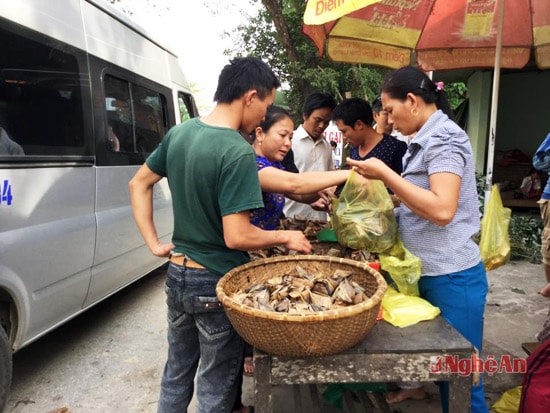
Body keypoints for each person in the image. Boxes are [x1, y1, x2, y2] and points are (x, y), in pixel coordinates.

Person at [128, 56, 312, 413]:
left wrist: (153, 243)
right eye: (266, 107)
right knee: (215, 386)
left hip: (178, 275)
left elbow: (139, 183)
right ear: (250, 96)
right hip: (213, 281)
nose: (263, 117)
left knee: (176, 373)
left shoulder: (180, 133)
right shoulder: (237, 150)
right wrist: (285, 238)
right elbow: (237, 236)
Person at [347, 66, 489, 413]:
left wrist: (385, 174)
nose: (389, 122)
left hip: (452, 276)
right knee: (442, 374)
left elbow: (442, 209)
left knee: (462, 381)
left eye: (390, 111)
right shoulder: (423, 141)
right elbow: (419, 201)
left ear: (411, 101)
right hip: (429, 273)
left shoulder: (444, 139)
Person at [250, 105, 350, 230]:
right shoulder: (252, 164)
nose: (287, 143)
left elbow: (300, 195)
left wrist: (321, 190)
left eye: (290, 138)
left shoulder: (274, 165)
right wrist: (351, 173)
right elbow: (294, 183)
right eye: (282, 135)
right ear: (259, 134)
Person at [282, 92, 337, 221]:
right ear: (305, 115)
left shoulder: (327, 147)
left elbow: (329, 179)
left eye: (326, 122)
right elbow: (283, 182)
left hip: (320, 220)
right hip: (292, 217)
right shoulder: (288, 143)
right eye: (318, 120)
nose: (322, 126)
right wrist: (310, 199)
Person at [332, 97, 407, 175]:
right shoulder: (354, 149)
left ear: (359, 124)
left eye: (344, 131)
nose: (343, 137)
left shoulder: (396, 148)